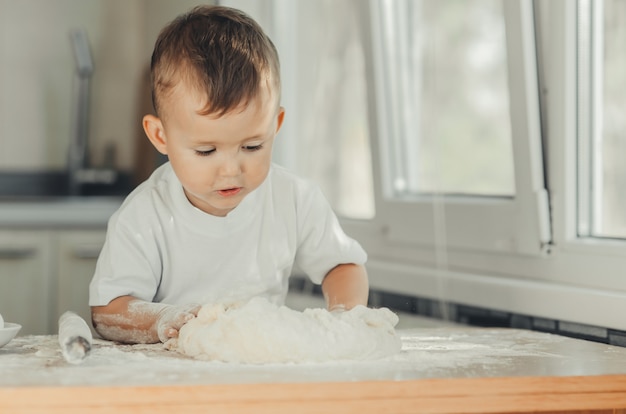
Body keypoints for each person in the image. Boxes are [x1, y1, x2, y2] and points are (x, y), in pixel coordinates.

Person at [89, 5, 369, 344]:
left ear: (275, 126)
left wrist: (343, 318)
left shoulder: (293, 199)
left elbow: (343, 266)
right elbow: (109, 311)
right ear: (161, 136)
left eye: (252, 146)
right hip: (172, 374)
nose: (231, 170)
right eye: (206, 151)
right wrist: (163, 319)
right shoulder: (144, 216)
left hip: (258, 371)